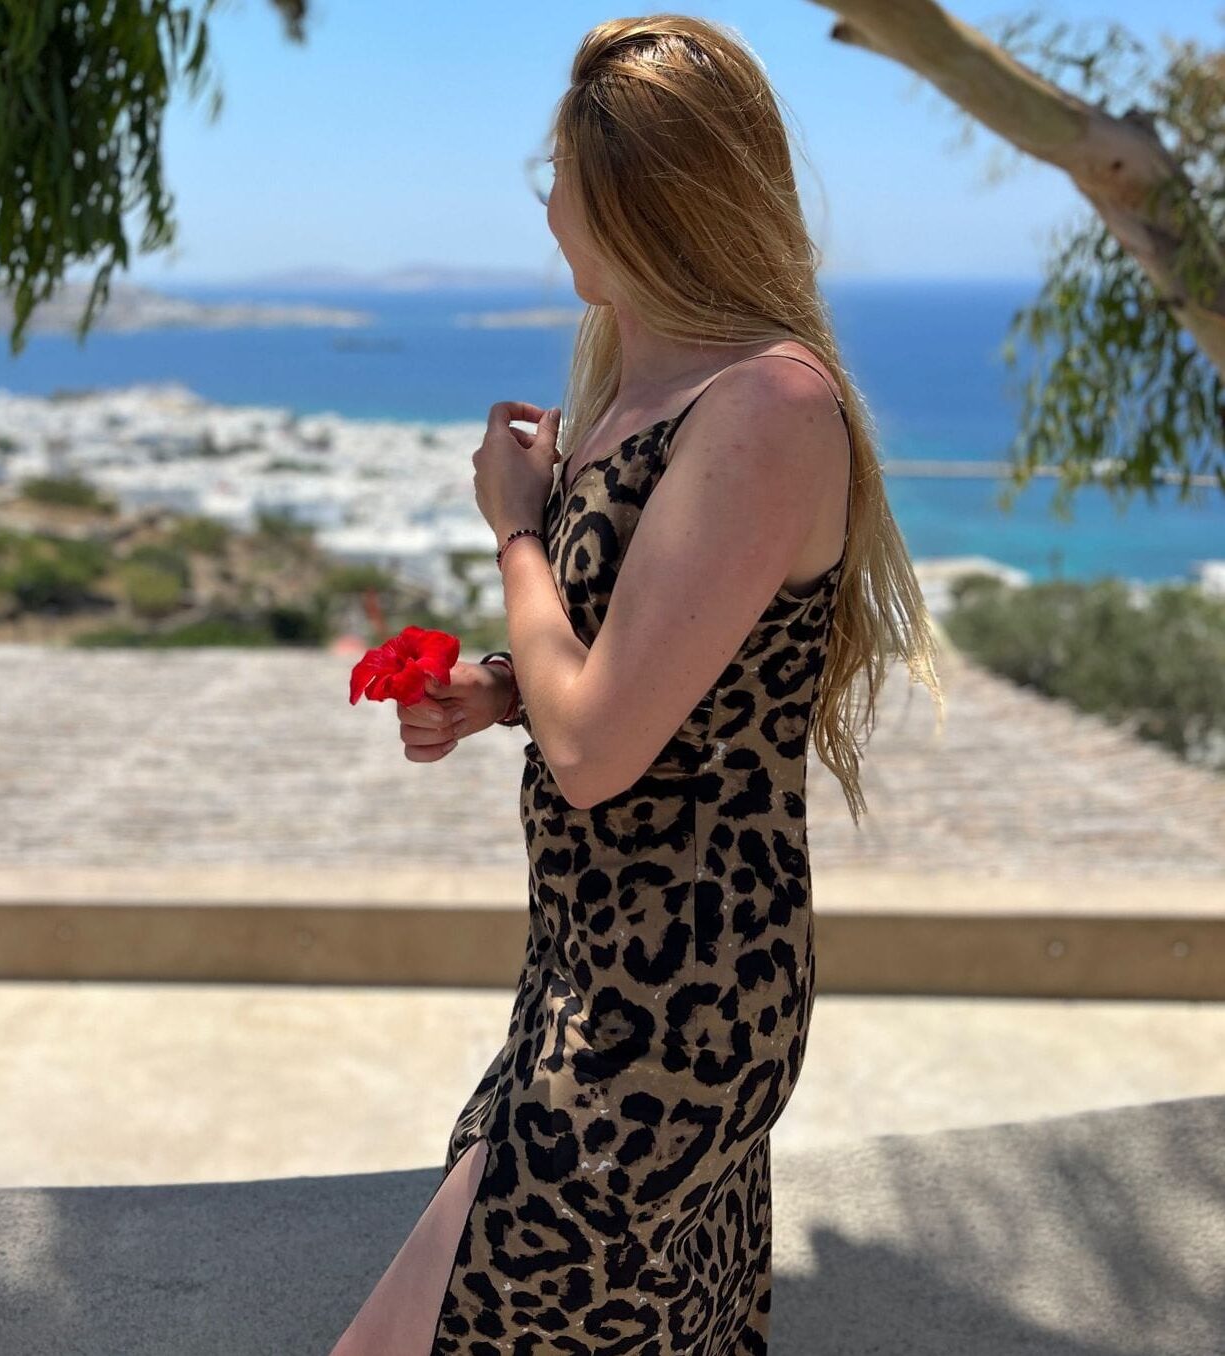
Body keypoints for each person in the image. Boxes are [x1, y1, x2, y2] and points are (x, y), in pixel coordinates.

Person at [330, 14, 944, 1355]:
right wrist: (503, 687)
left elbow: (600, 746)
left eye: (558, 171)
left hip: (674, 1003)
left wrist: (515, 529)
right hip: (593, 967)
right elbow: (654, 667)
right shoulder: (638, 391)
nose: (547, 202)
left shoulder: (766, 406)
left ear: (633, 191)